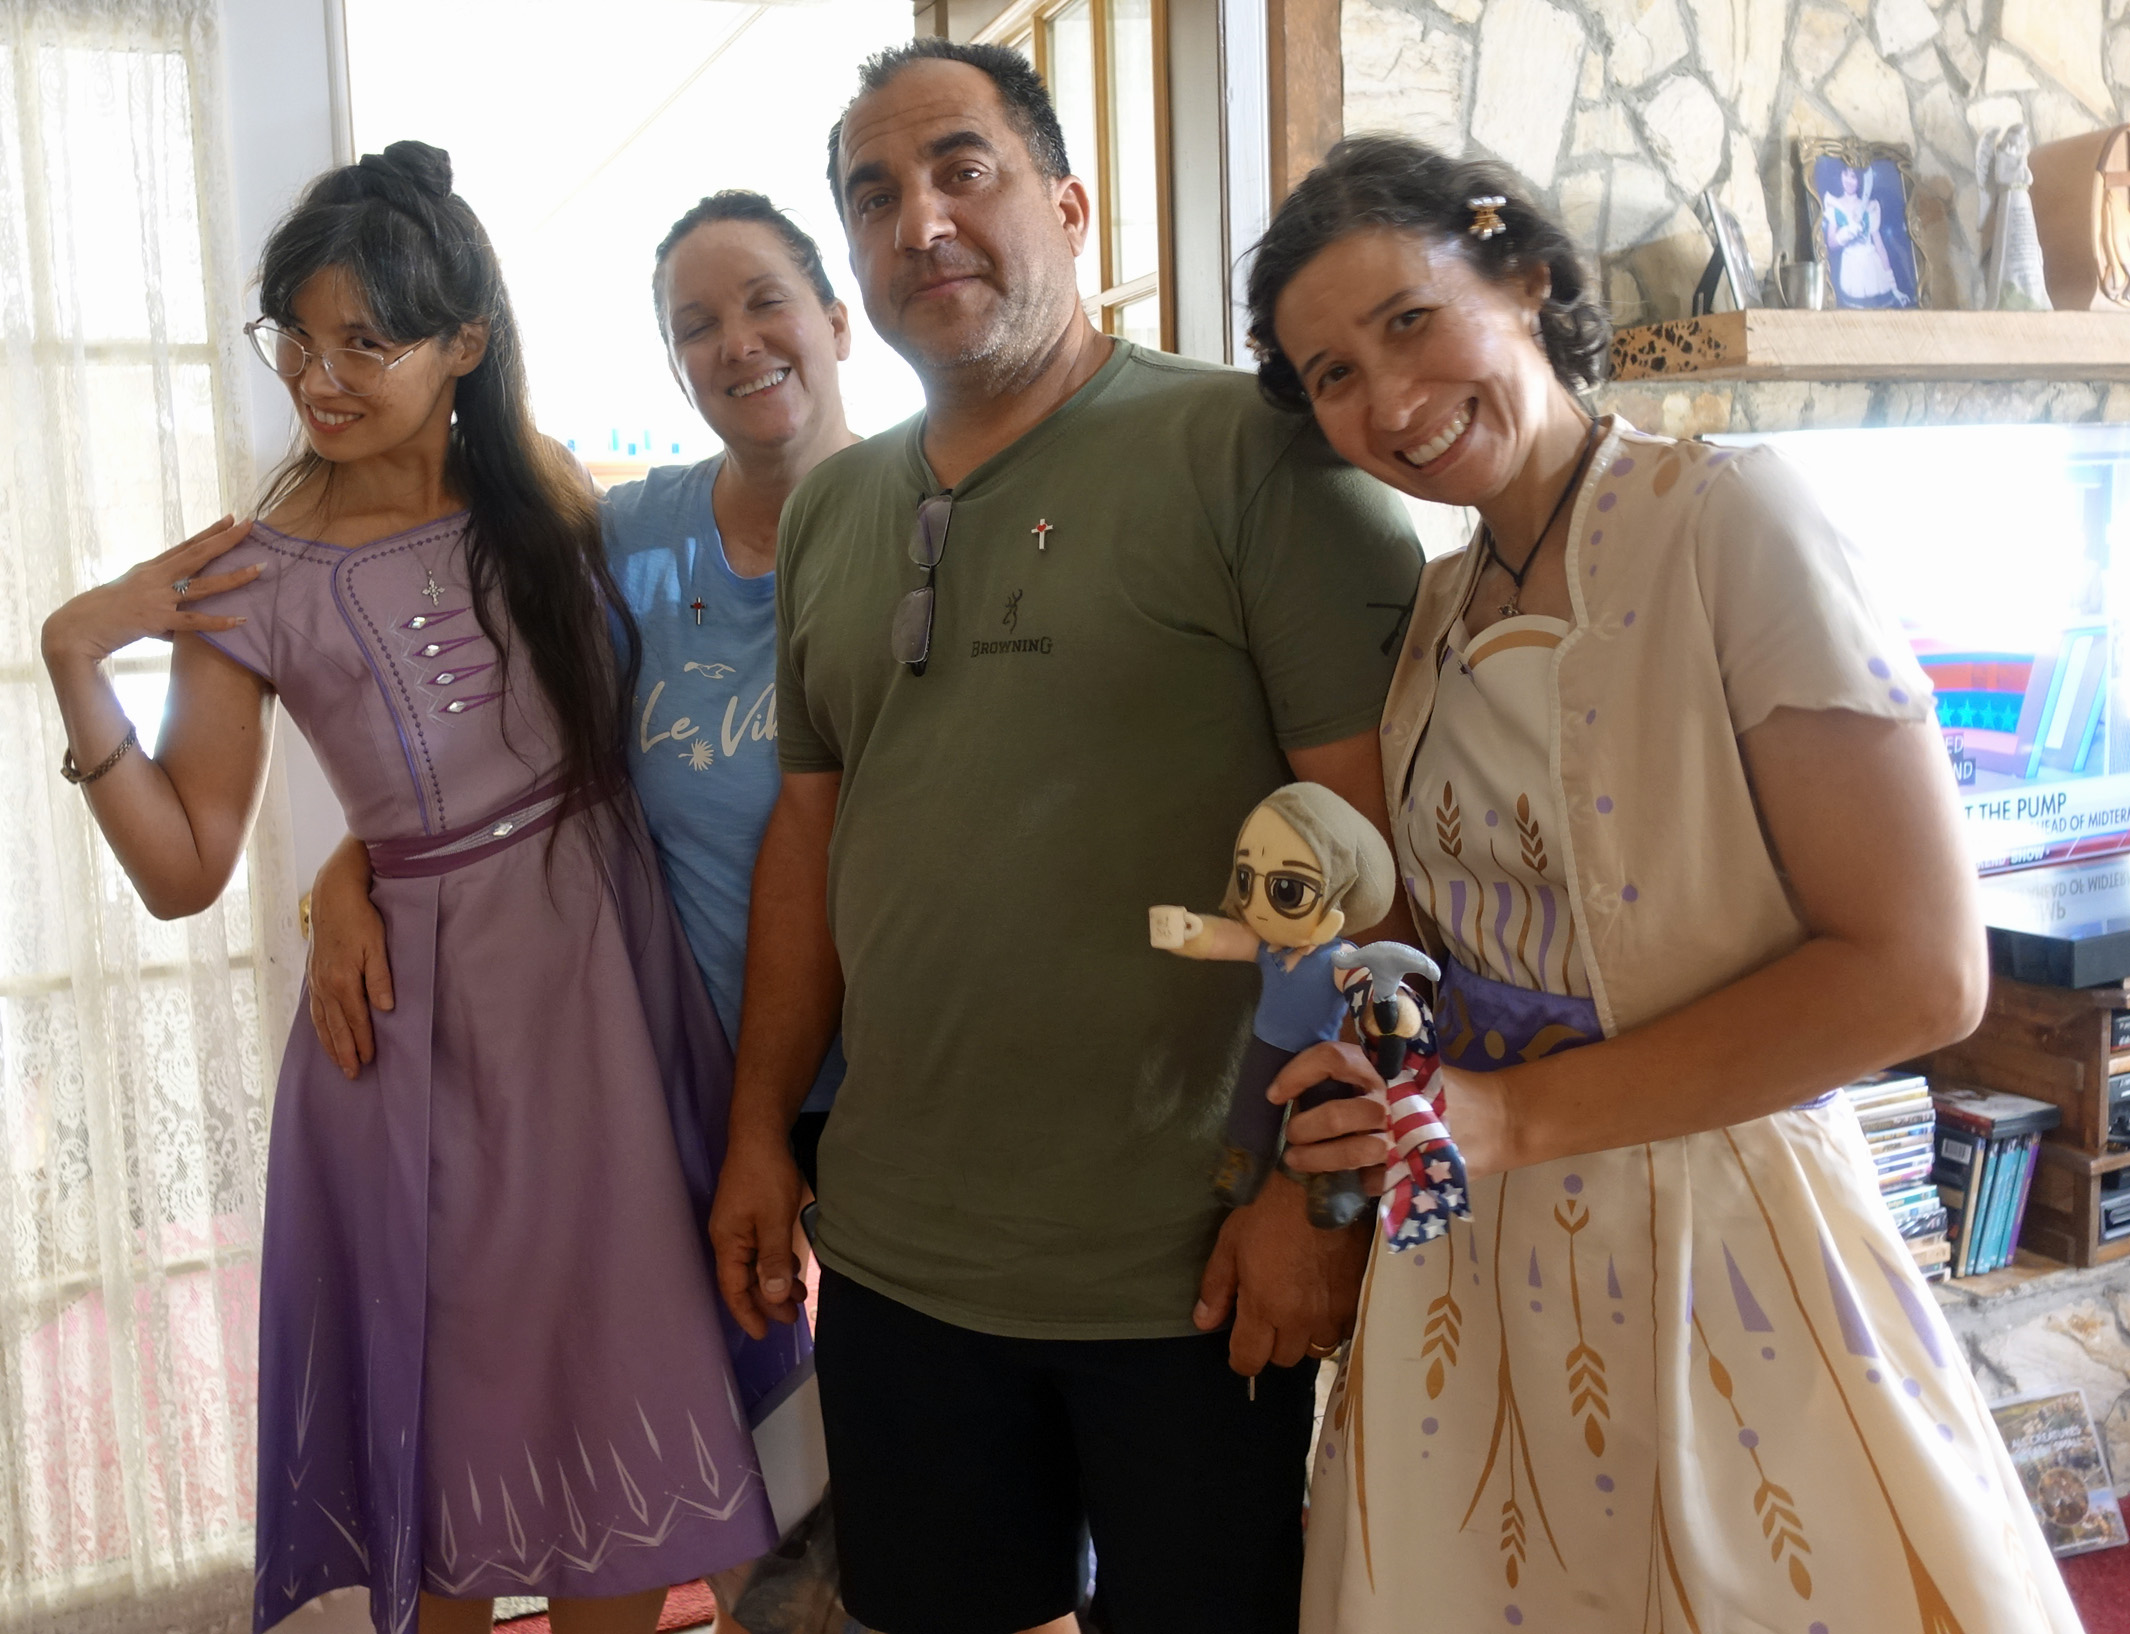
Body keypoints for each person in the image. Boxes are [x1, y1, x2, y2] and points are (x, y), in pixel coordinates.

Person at [1248, 134, 2080, 1632]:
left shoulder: (1731, 519)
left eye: (1410, 320)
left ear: (1524, 277)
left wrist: (1510, 1116)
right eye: (1332, 375)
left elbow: (1920, 971)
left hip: (1721, 1224)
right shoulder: (1438, 607)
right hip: (1482, 1248)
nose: (1390, 399)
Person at [706, 39, 1420, 1634]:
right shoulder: (831, 509)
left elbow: (1377, 864)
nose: (920, 222)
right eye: (873, 196)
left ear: (1069, 205)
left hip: (1190, 1261)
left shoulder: (1249, 454)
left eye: (963, 169)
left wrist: (1319, 1198)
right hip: (896, 1253)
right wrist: (758, 1128)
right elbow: (808, 845)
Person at [38, 142, 795, 1634]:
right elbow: (183, 869)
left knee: (624, 1423)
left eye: (362, 342)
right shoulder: (252, 579)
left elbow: (578, 743)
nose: (317, 378)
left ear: (465, 343)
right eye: (296, 337)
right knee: (457, 1444)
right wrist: (77, 659)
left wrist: (349, 865)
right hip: (436, 1051)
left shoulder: (551, 492)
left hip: (619, 1007)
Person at [307, 189, 856, 1190]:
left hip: (891, 1082)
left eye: (766, 301)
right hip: (670, 1069)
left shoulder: (925, 526)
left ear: (836, 322)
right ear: (678, 369)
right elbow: (512, 732)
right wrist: (350, 865)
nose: (738, 343)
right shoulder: (628, 536)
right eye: (696, 326)